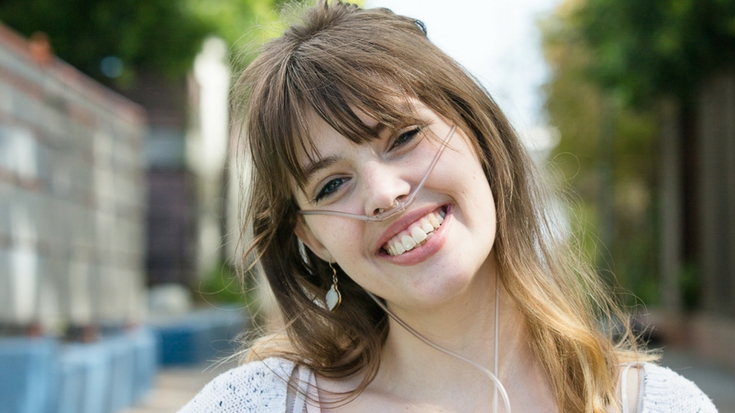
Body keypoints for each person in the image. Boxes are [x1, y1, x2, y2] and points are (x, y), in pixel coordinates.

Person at [180, 1, 718, 412]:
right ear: (312, 238)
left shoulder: (657, 405)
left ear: (478, 136)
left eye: (404, 136)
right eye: (331, 185)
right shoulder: (256, 404)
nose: (385, 193)